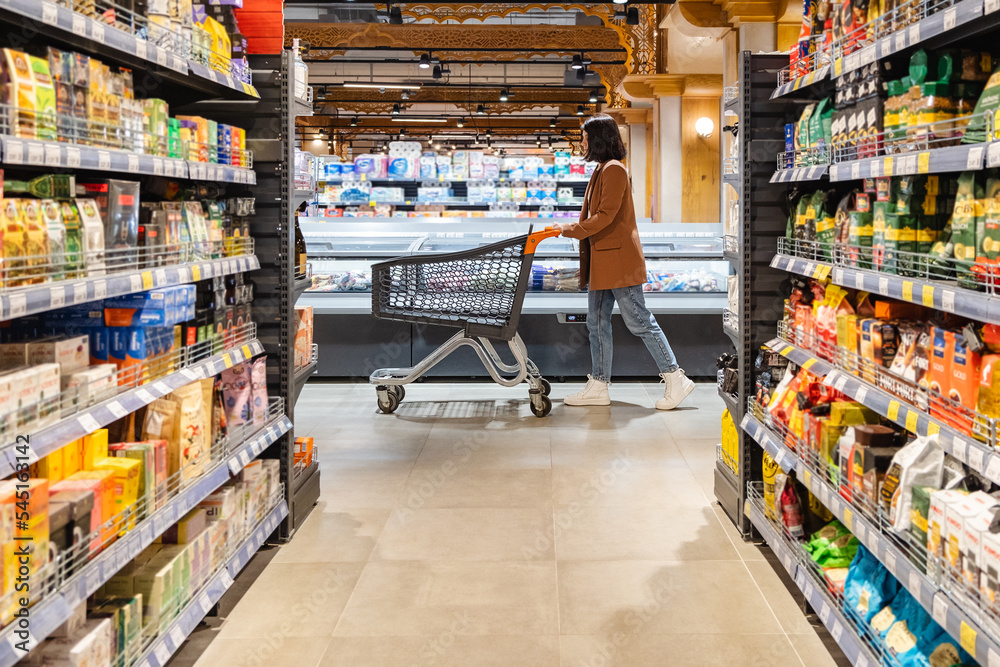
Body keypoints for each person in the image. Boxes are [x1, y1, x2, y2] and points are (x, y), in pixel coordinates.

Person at [553, 115, 695, 410]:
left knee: (639, 321)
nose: (582, 143)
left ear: (598, 139)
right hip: (605, 261)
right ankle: (599, 385)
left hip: (618, 261)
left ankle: (675, 377)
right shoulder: (603, 169)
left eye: (585, 137)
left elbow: (605, 216)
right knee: (596, 322)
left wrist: (570, 230)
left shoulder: (614, 170)